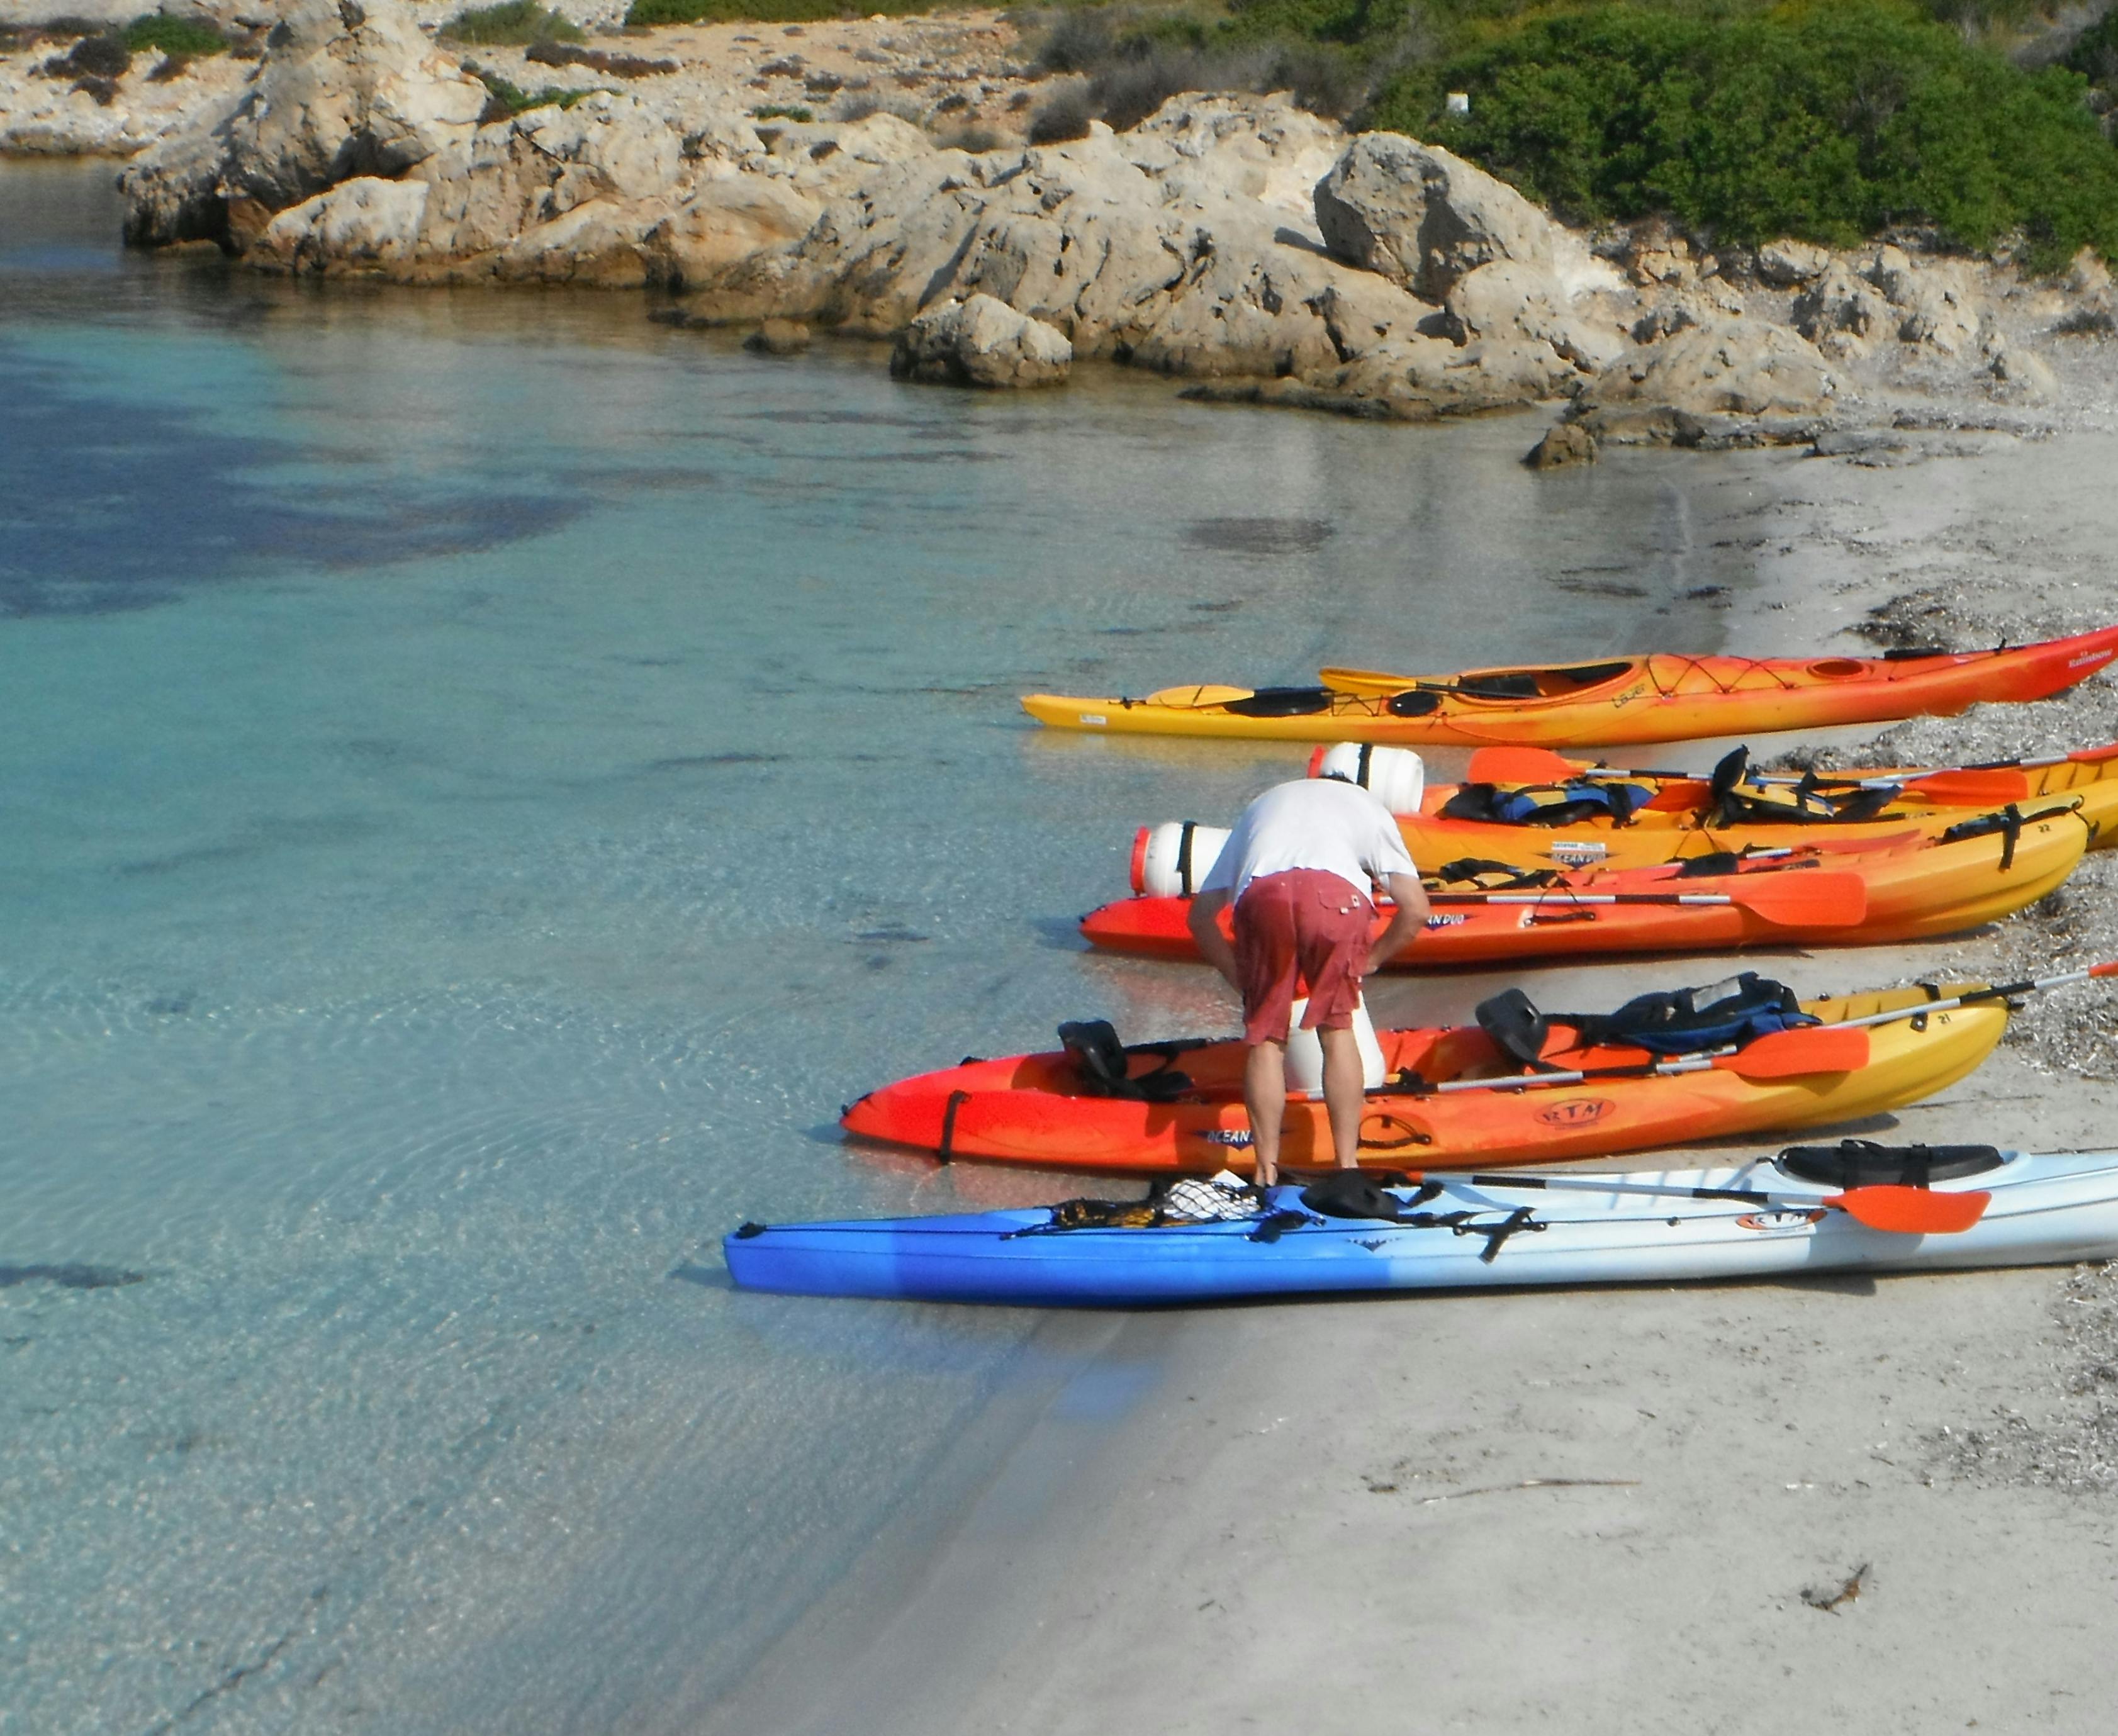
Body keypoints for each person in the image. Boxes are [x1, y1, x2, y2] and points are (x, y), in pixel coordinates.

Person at [1187, 776, 1430, 1186]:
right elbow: (1417, 909)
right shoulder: (1369, 806)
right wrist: (1372, 960)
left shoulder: (1260, 804)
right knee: (1337, 1031)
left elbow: (1200, 917)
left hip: (1265, 895)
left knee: (1266, 1040)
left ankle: (1265, 1170)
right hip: (1336, 899)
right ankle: (1347, 1166)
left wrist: (1239, 978)